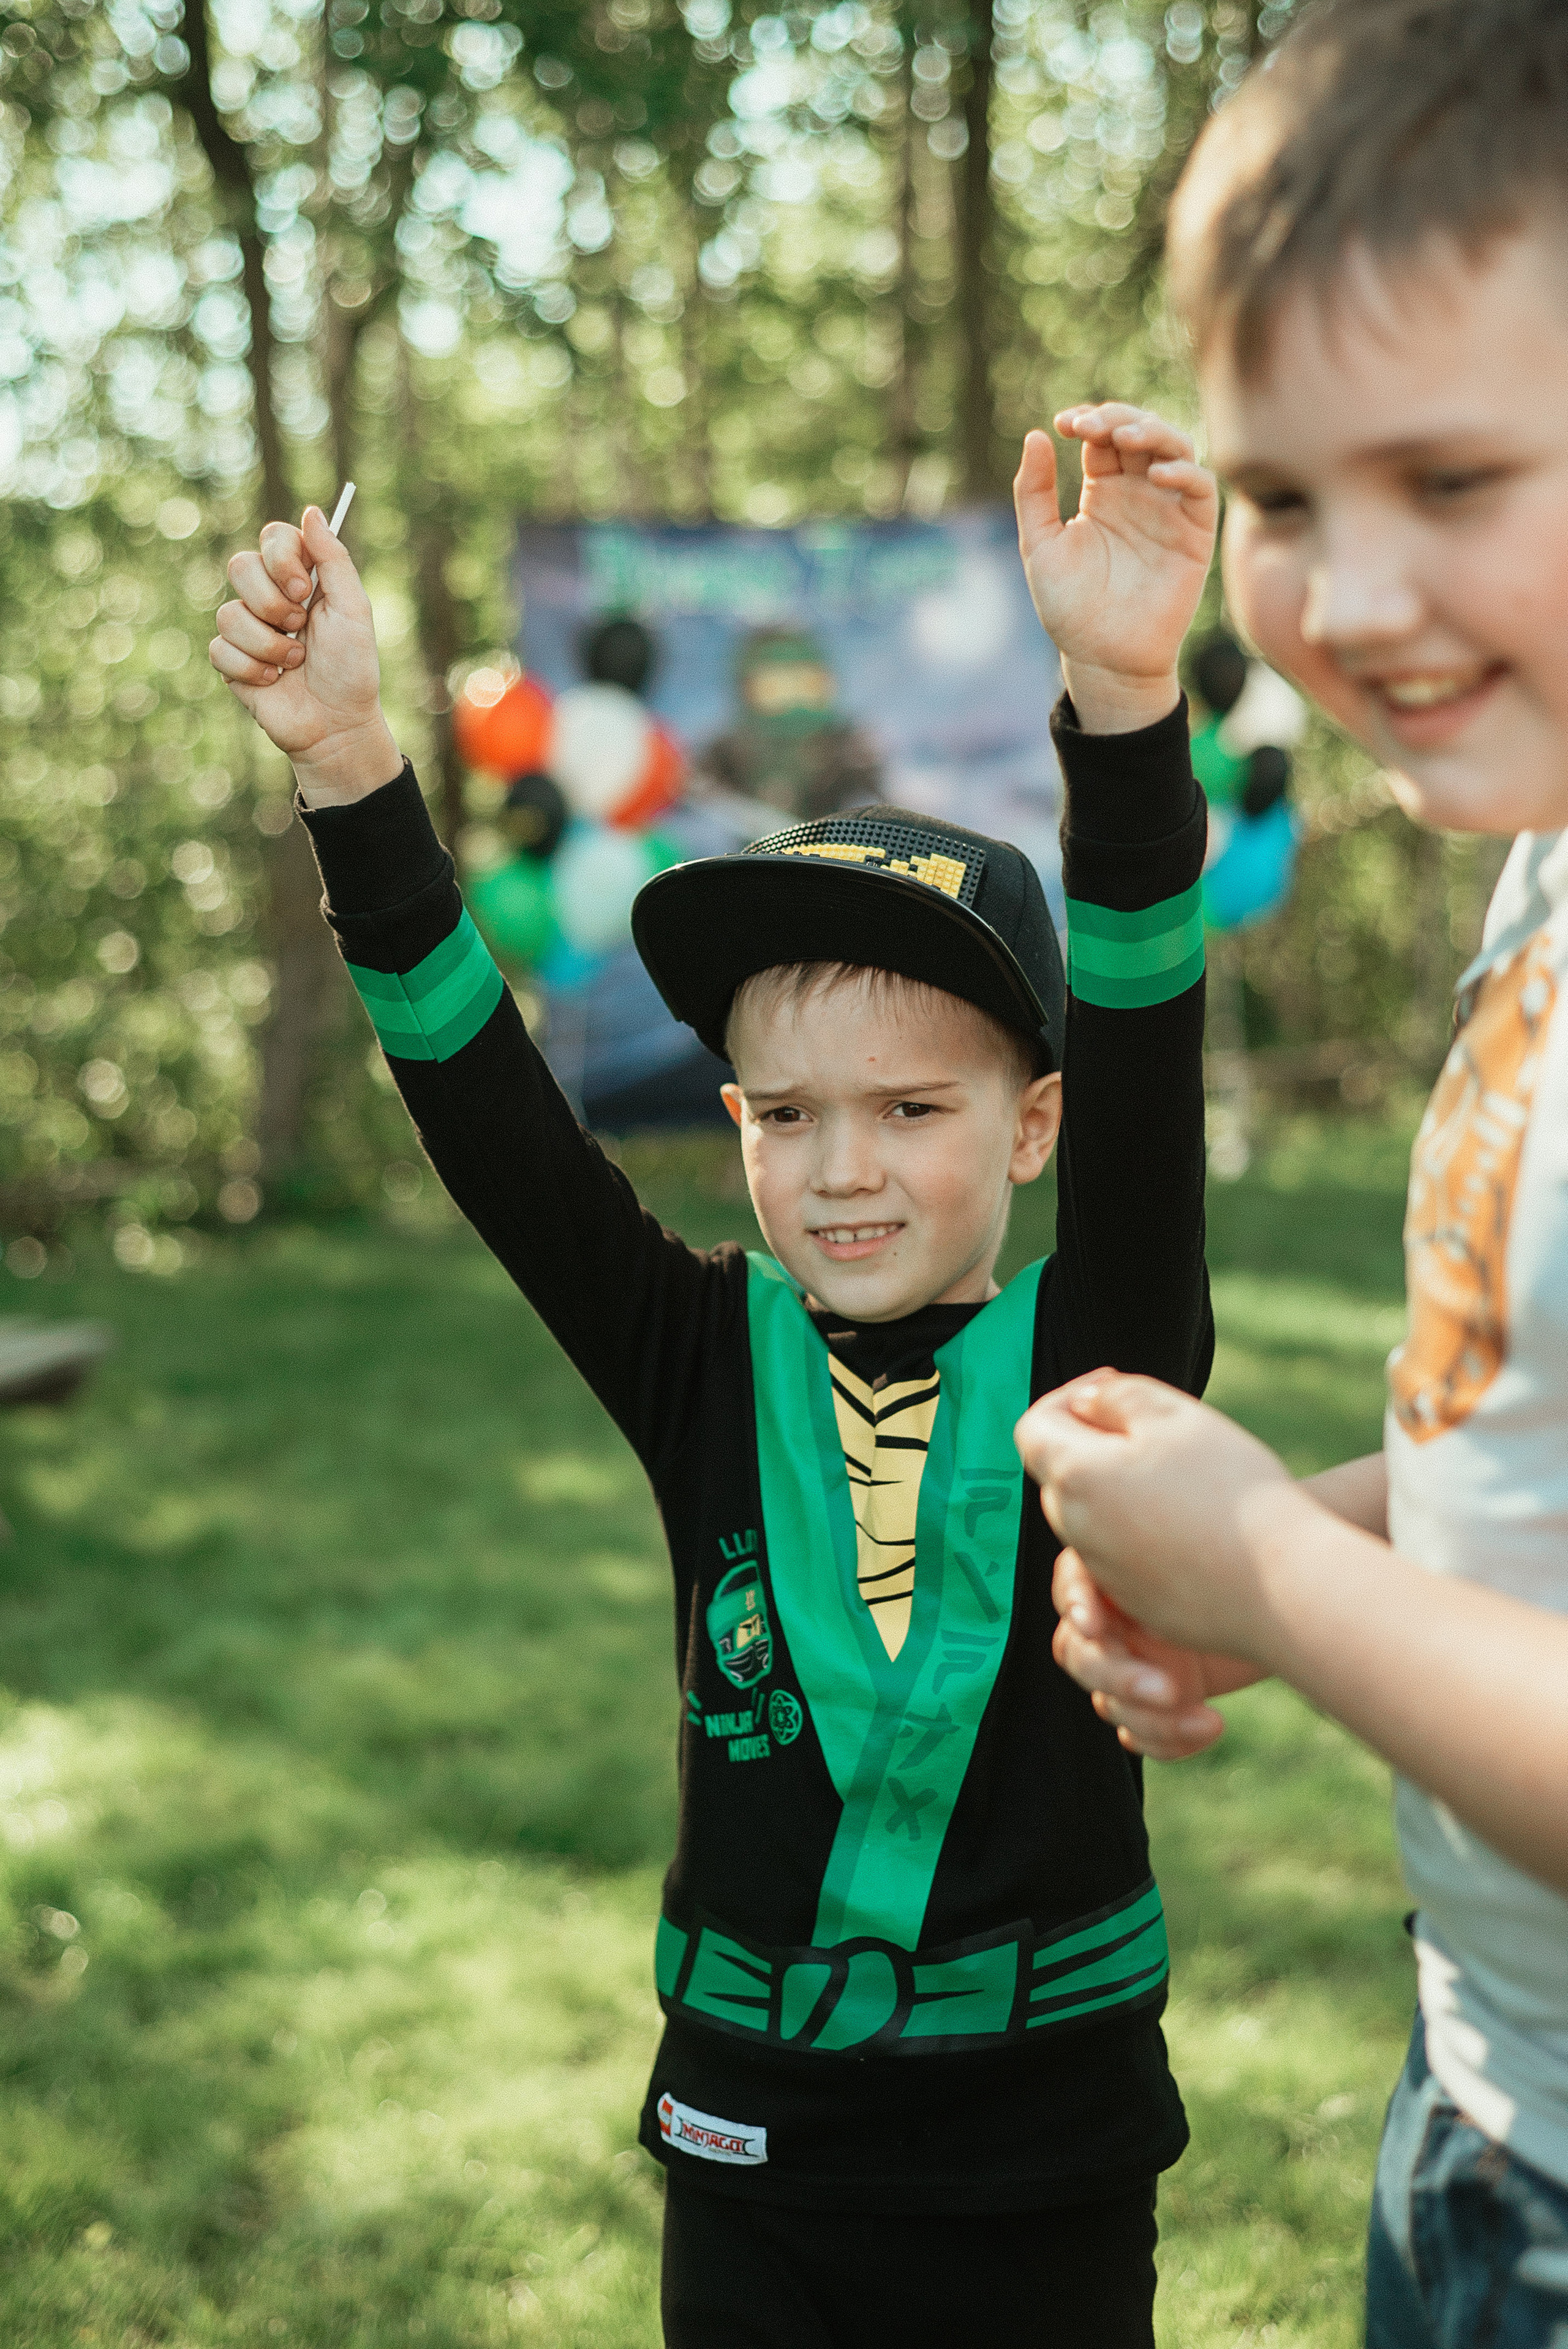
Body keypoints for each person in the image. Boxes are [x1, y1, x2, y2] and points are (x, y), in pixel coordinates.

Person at [208, 398, 1217, 2345]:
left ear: (1032, 1129)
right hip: (751, 2149)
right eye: (787, 1113)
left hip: (1051, 2150)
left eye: (914, 1106)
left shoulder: (1111, 1346)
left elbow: (1157, 1024)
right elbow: (488, 1112)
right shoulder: (698, 1349)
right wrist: (349, 761)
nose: (840, 1169)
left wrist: (1125, 697)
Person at [1012, 4, 1568, 2344]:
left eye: (1451, 484)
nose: (1345, 604)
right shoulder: (1540, 849)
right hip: (1486, 2107)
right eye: (1292, 500)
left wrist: (1265, 1559)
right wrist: (1310, 1544)